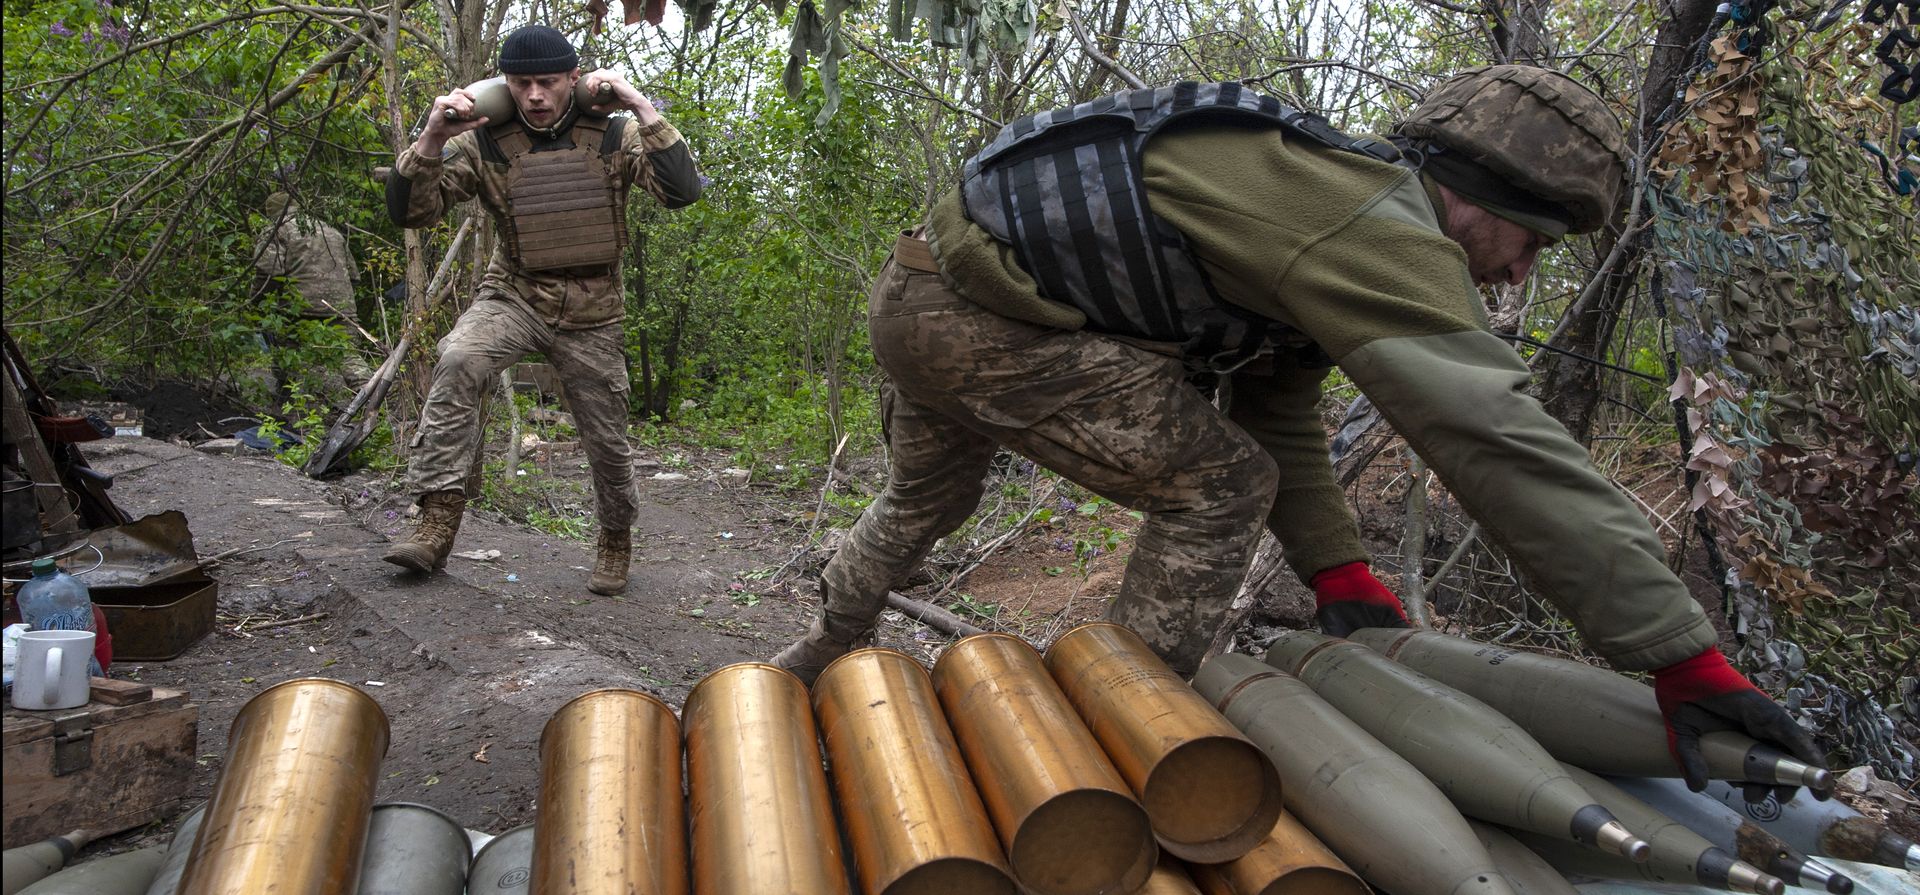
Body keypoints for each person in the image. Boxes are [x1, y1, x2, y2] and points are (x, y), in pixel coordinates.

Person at [771, 67, 1824, 790]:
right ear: (1480, 195)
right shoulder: (1375, 227)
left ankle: (817, 650)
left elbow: (1276, 398)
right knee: (1218, 487)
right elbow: (1496, 437)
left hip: (921, 298)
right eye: (1532, 239)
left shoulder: (1309, 190)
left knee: (928, 496)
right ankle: (1096, 752)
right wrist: (1681, 654)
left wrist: (1336, 572)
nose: (1517, 271)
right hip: (986, 326)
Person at [380, 25, 700, 594]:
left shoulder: (613, 133)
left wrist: (639, 104)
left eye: (547, 82)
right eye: (521, 83)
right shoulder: (483, 138)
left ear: (572, 80)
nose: (534, 95)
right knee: (458, 358)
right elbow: (413, 213)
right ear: (505, 84)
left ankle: (614, 538)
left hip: (594, 309)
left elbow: (680, 191)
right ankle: (436, 519)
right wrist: (431, 135)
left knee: (607, 440)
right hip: (516, 294)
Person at [252, 192, 371, 399]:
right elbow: (354, 276)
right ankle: (374, 400)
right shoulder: (330, 230)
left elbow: (268, 271)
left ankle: (286, 406)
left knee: (286, 355)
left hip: (299, 307)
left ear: (271, 213)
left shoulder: (277, 229)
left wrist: (255, 302)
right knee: (349, 357)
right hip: (340, 306)